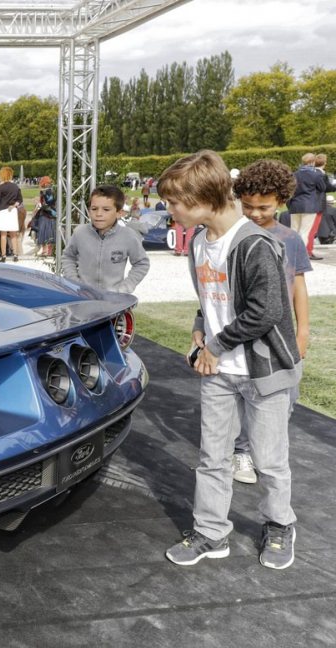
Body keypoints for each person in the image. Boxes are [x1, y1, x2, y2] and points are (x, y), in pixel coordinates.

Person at [160, 150, 301, 570]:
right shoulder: (200, 243)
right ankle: (211, 532)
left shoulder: (257, 244)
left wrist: (215, 346)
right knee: (213, 457)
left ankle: (279, 526)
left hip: (264, 372)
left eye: (174, 203)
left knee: (269, 460)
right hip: (218, 373)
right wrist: (199, 330)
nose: (170, 211)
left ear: (203, 198)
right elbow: (210, 300)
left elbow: (267, 310)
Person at [228, 160, 312, 484]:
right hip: (244, 334)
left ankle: (268, 451)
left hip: (281, 339)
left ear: (281, 200)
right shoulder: (233, 236)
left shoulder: (291, 239)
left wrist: (303, 332)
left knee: (285, 399)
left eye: (263, 207)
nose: (254, 214)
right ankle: (242, 452)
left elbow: (299, 287)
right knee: (244, 398)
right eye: (247, 206)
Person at [61, 185, 150, 292]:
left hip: (114, 302)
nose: (98, 214)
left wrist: (125, 288)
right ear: (89, 211)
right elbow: (68, 257)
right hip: (83, 299)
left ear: (119, 213)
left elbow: (142, 263)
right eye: (94, 209)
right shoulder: (80, 233)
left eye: (106, 209)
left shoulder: (128, 235)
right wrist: (74, 282)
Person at [288, 153, 327, 260]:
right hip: (309, 205)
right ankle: (300, 255)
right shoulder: (316, 175)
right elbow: (322, 188)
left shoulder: (294, 174)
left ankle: (291, 253)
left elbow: (290, 189)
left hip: (295, 205)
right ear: (312, 162)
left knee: (294, 230)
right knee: (304, 232)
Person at [0, 166, 23, 262]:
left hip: (2, 211)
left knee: (3, 235)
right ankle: (15, 255)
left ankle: (3, 256)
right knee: (13, 235)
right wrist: (14, 205)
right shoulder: (16, 187)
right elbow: (20, 200)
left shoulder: (0, 187)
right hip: (12, 211)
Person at [35, 177, 57, 257]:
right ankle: (49, 251)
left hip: (46, 214)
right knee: (50, 233)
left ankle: (45, 251)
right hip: (52, 214)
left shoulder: (45, 192)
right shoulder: (53, 190)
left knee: (43, 233)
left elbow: (47, 203)